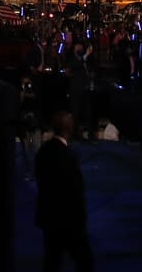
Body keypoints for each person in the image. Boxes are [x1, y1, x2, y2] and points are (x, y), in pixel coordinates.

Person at [35, 110, 95, 272]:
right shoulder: (68, 156)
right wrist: (80, 219)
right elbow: (75, 190)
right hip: (69, 220)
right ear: (70, 128)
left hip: (49, 217)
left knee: (52, 262)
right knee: (85, 262)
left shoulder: (43, 151)